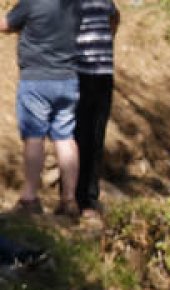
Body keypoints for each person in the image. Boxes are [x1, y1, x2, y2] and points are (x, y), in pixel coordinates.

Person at [1, 0, 82, 217]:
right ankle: (69, 199)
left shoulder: (31, 3)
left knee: (34, 137)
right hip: (68, 78)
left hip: (36, 80)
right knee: (65, 137)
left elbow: (5, 24)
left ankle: (29, 198)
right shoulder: (74, 4)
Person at [74, 0, 119, 217]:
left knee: (93, 136)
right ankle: (79, 197)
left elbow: (115, 16)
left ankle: (87, 198)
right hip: (84, 72)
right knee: (83, 136)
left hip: (98, 73)